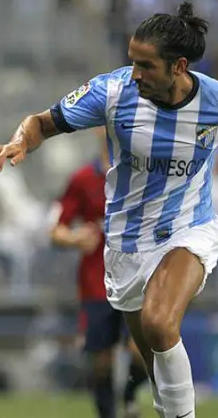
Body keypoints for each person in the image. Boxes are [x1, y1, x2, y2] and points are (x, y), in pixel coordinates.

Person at [0, 2, 218, 418]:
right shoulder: (113, 92)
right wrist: (20, 141)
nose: (135, 73)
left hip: (189, 228)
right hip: (127, 243)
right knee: (155, 368)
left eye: (145, 65)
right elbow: (42, 122)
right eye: (132, 62)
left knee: (160, 322)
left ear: (178, 66)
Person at [50, 127, 148, 418]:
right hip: (96, 284)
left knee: (142, 352)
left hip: (137, 280)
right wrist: (74, 238)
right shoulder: (82, 180)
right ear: (97, 130)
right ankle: (108, 413)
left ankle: (130, 393)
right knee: (100, 361)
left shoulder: (142, 175)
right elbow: (56, 229)